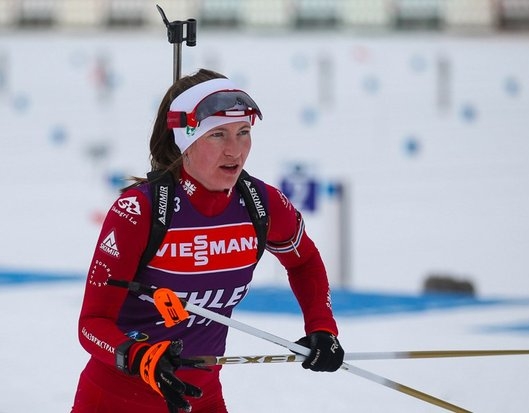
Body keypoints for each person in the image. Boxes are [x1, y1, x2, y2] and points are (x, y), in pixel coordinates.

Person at [71, 69, 345, 413]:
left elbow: (304, 261)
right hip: (117, 402)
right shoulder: (139, 211)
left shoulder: (261, 204)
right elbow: (92, 324)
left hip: (202, 400)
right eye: (217, 135)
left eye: (243, 132)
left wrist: (322, 327)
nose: (234, 151)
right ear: (184, 141)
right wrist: (140, 357)